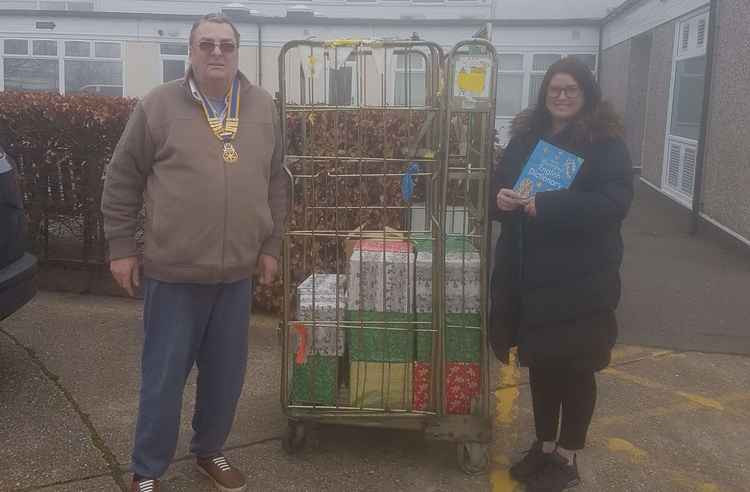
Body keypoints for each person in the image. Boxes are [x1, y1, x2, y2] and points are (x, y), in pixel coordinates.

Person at [101, 13, 287, 492]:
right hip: (174, 273)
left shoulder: (264, 107)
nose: (216, 53)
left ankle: (210, 451)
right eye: (206, 44)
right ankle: (147, 468)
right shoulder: (158, 106)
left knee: (226, 377)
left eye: (226, 45)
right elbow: (122, 177)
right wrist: (122, 247)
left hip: (236, 275)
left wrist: (270, 245)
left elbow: (276, 181)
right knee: (163, 380)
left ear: (237, 51)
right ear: (190, 51)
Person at [489, 56, 633, 492]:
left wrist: (545, 206)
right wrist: (502, 197)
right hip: (530, 276)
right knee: (543, 365)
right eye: (555, 89)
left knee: (576, 367)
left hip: (581, 279)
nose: (562, 96)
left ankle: (568, 454)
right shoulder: (526, 137)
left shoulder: (606, 142)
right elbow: (501, 182)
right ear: (544, 94)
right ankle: (545, 445)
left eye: (571, 89)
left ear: (586, 94)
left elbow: (614, 203)